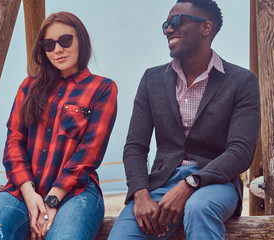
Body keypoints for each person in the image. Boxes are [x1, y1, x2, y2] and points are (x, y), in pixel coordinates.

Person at [108, 0, 260, 239]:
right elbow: (136, 146)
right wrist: (140, 193)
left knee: (199, 208)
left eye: (177, 21)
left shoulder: (242, 81)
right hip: (160, 185)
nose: (169, 29)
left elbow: (240, 151)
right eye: (166, 24)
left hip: (216, 184)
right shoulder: (152, 79)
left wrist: (191, 183)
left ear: (206, 28)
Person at [0, 11, 117, 240]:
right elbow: (14, 140)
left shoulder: (102, 88)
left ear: (81, 39)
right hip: (21, 191)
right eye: (49, 44)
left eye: (65, 40)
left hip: (76, 194)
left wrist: (52, 200)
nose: (57, 49)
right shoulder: (29, 86)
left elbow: (89, 151)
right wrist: (30, 195)